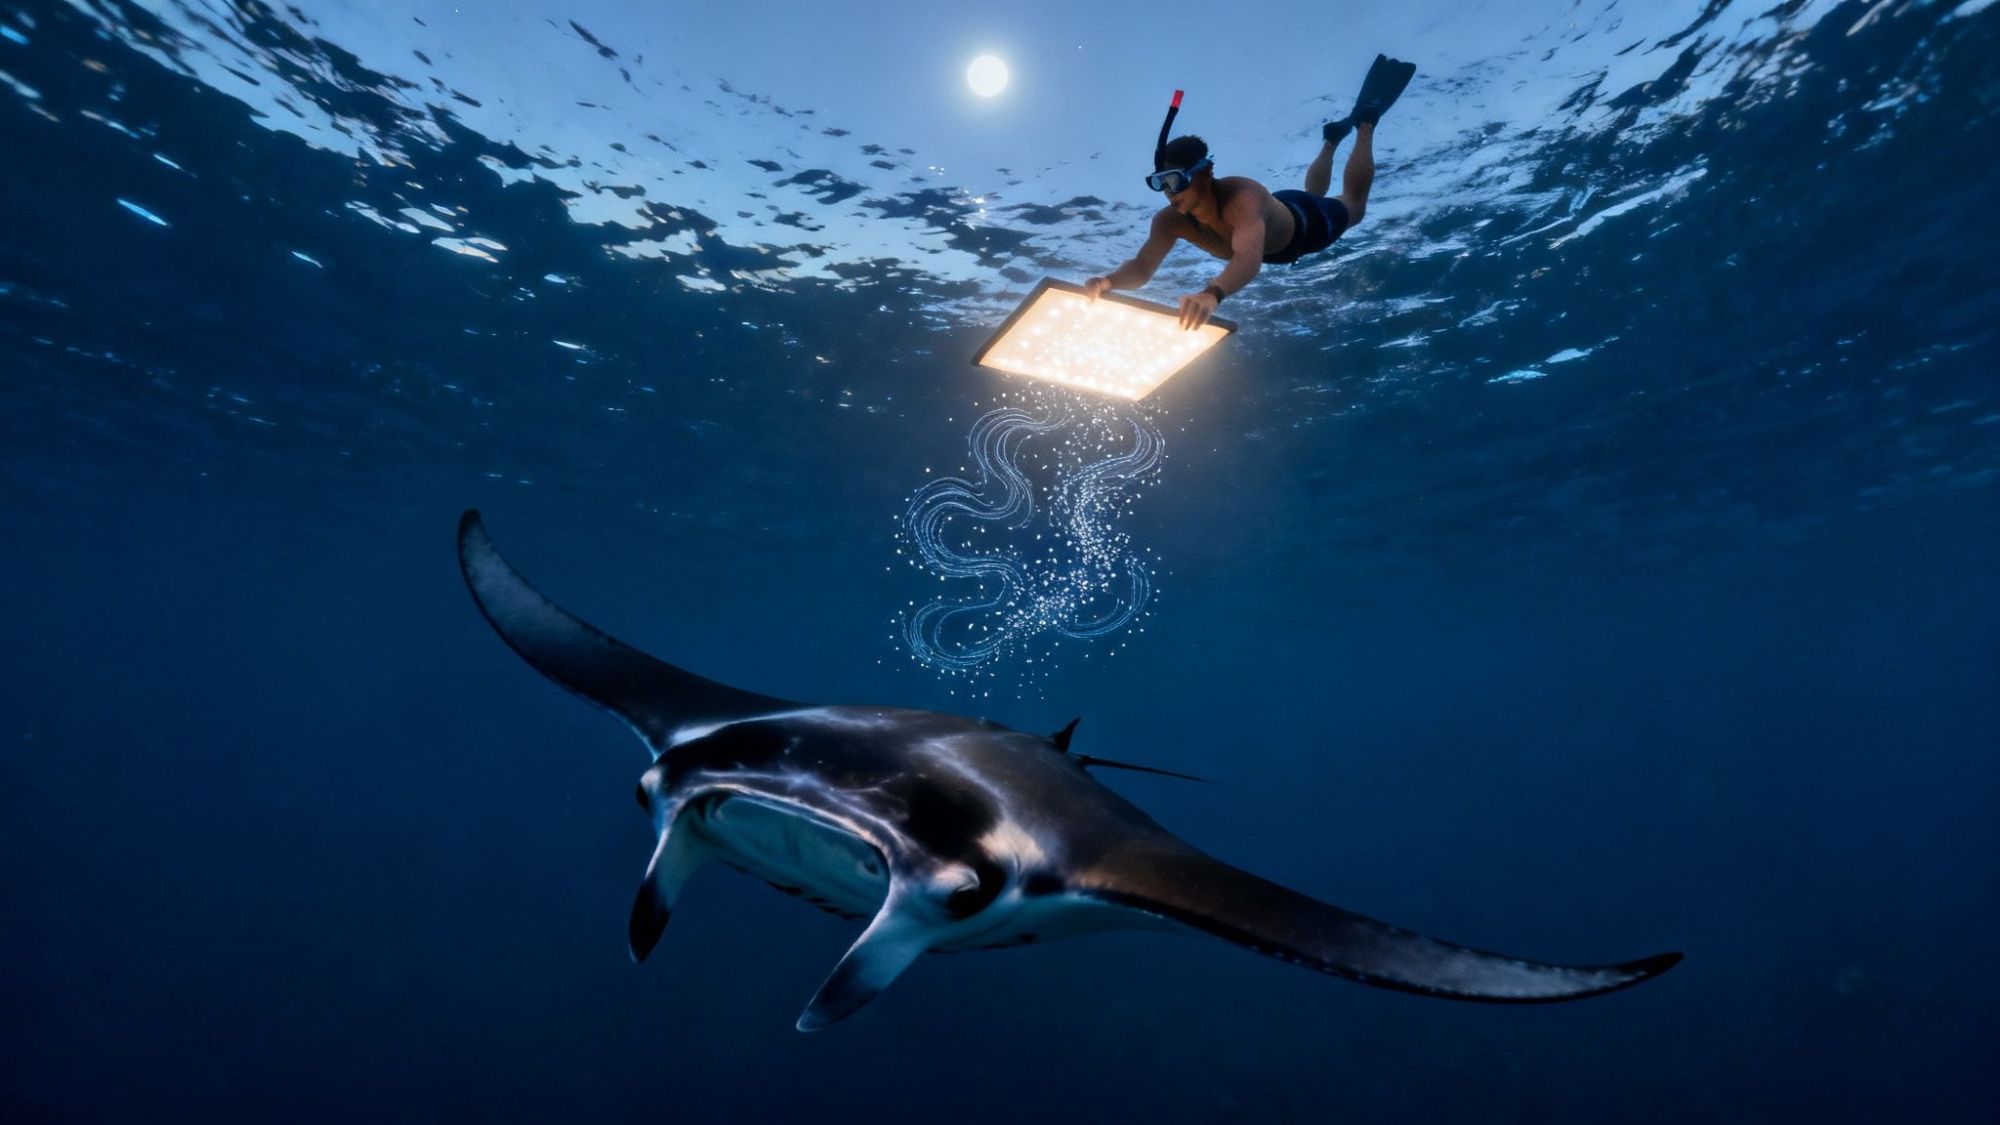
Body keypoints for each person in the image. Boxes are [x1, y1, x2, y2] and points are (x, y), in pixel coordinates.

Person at [1083, 55, 1418, 330]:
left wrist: (1212, 294)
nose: (1168, 193)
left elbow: (1248, 258)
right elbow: (1142, 267)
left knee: (1354, 206)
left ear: (1205, 172)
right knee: (1315, 191)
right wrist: (1108, 281)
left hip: (1306, 226)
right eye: (1159, 183)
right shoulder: (1169, 222)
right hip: (1279, 214)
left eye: (1174, 181)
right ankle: (1331, 139)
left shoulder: (1241, 199)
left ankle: (1366, 124)